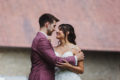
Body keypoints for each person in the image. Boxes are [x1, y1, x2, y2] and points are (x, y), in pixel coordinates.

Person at [28, 13, 84, 80]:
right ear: (47, 24)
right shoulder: (44, 42)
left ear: (68, 32)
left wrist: (69, 66)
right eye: (54, 26)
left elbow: (81, 70)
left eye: (60, 29)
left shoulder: (75, 48)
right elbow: (55, 60)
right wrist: (75, 58)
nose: (56, 30)